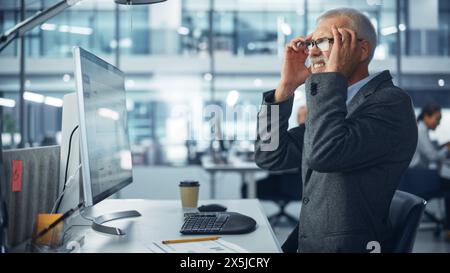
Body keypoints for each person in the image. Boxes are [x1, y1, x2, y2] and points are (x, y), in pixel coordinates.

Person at [255, 8, 418, 253]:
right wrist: (285, 88)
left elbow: (324, 155)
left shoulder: (390, 103)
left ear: (361, 50)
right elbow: (270, 155)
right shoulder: (339, 105)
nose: (311, 51)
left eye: (323, 41)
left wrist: (329, 80)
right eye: (311, 43)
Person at [402, 103, 450, 240]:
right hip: (416, 177)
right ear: (427, 116)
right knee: (448, 187)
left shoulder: (421, 129)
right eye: (437, 119)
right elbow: (432, 156)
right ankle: (448, 226)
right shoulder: (420, 130)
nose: (438, 123)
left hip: (415, 175)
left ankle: (447, 224)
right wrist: (447, 149)